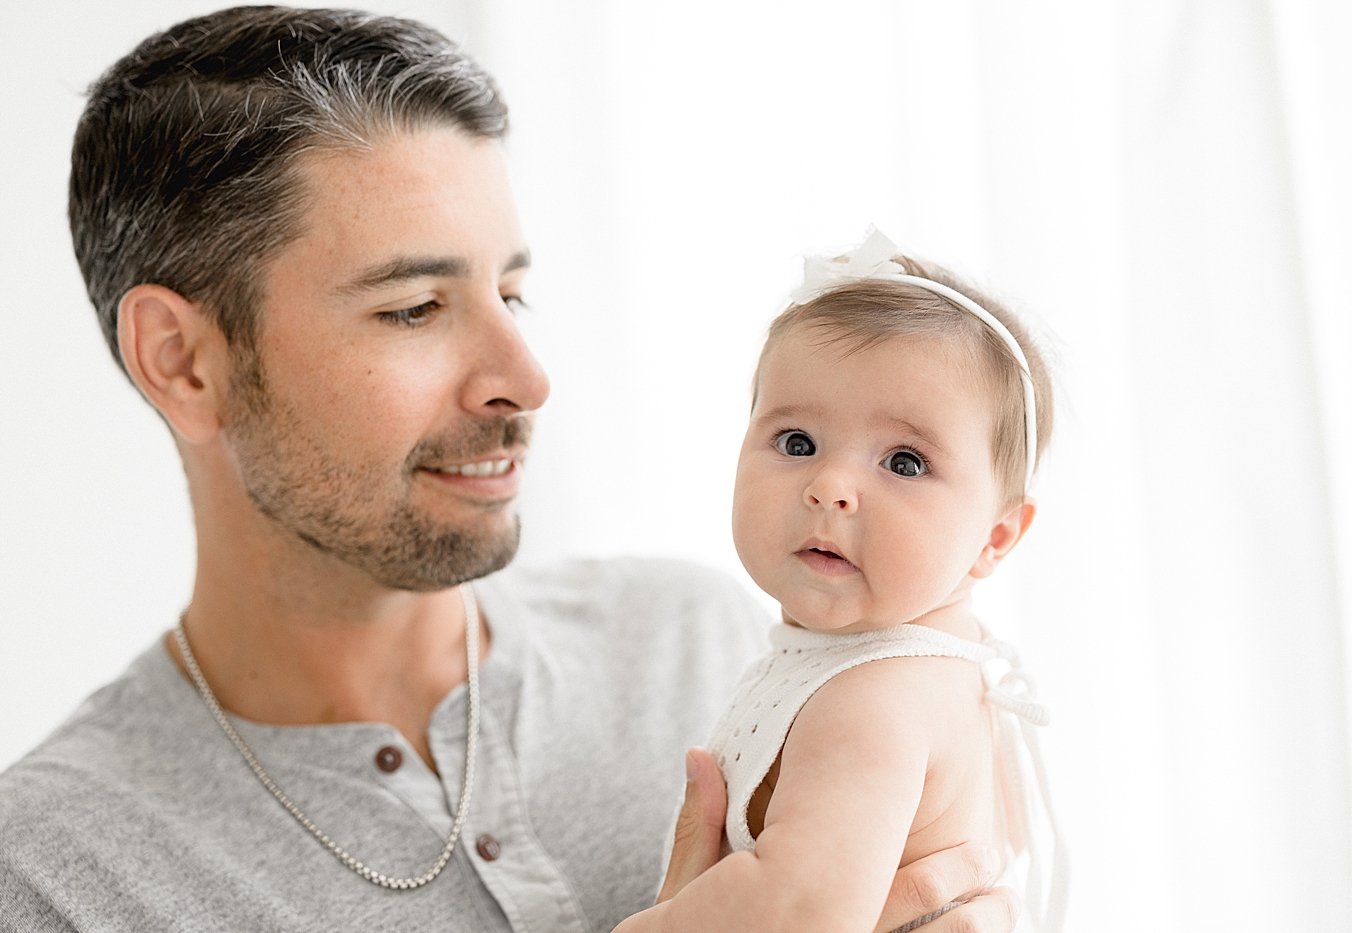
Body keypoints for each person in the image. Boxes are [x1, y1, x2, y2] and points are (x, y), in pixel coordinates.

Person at [0, 8, 1020, 932]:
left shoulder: (709, 641)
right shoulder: (58, 876)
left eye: (513, 294)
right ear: (184, 361)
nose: (525, 379)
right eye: (413, 308)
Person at [622, 231, 1065, 933]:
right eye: (797, 442)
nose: (830, 487)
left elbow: (794, 915)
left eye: (905, 462)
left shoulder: (873, 699)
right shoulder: (913, 665)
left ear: (996, 536)